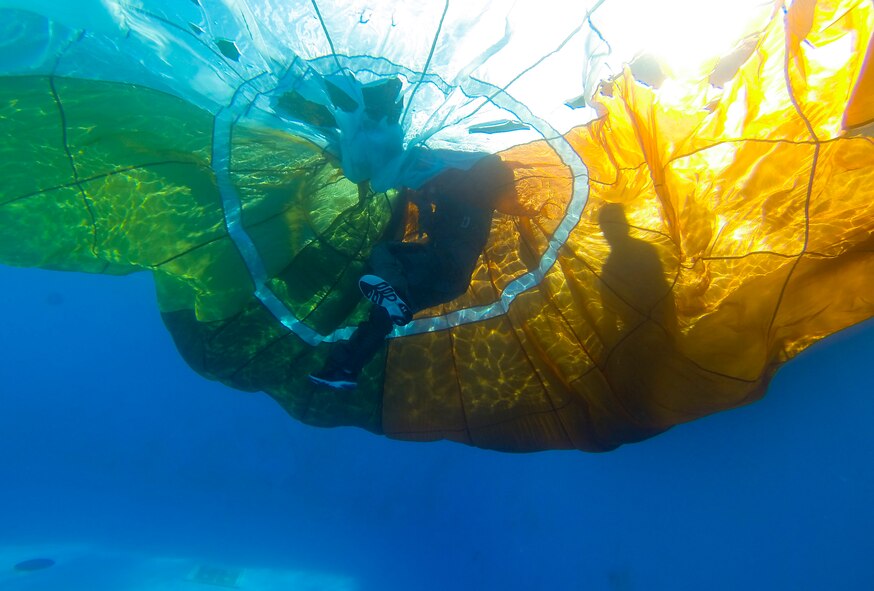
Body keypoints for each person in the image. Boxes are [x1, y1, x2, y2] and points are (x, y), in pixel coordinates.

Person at [308, 154, 514, 389]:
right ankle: (346, 369)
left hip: (442, 266)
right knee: (382, 317)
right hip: (449, 283)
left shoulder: (470, 196)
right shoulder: (476, 200)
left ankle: (395, 292)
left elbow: (441, 217)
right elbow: (437, 226)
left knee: (384, 252)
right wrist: (425, 201)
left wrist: (423, 193)